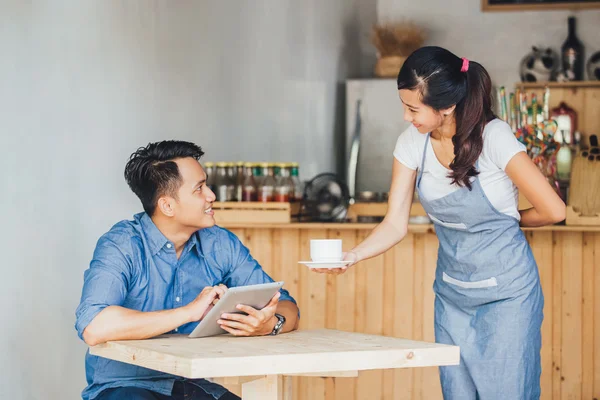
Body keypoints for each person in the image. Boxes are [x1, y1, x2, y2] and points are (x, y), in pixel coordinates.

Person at [314, 46, 565, 399]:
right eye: (404, 105)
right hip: (452, 297)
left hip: (507, 297)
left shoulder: (494, 138)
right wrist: (352, 255)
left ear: (446, 106)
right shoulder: (411, 144)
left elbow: (554, 210)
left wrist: (507, 220)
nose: (405, 117)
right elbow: (395, 223)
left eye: (413, 108)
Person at [75, 140, 299, 400]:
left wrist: (271, 324)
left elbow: (288, 306)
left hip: (193, 386)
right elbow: (93, 326)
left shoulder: (219, 243)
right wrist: (187, 312)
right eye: (199, 188)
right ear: (167, 206)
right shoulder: (122, 245)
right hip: (124, 388)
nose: (211, 195)